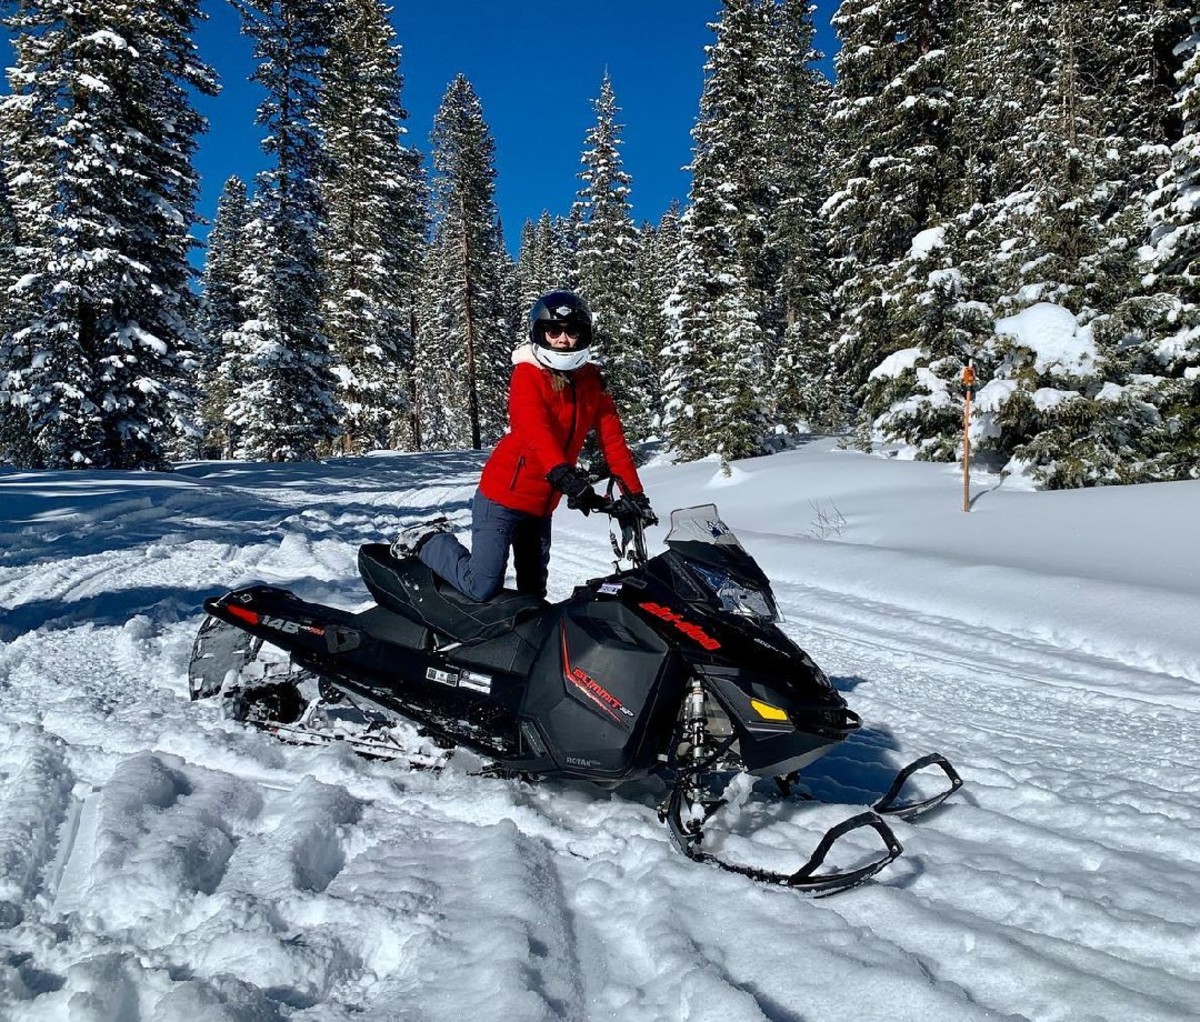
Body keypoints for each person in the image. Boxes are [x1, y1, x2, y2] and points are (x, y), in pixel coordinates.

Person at [391, 289, 656, 601]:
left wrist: (636, 496)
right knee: (482, 586)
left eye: (572, 332)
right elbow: (534, 431)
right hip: (502, 498)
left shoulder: (591, 382)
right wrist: (564, 476)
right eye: (553, 331)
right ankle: (430, 540)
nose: (563, 340)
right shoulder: (527, 374)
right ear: (540, 333)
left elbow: (614, 443)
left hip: (541, 508)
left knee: (533, 595)